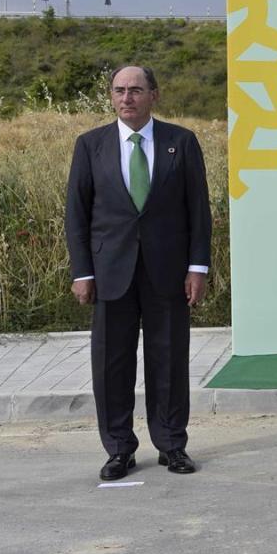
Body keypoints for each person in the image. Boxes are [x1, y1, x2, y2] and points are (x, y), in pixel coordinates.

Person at [65, 65, 213, 481]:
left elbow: (198, 211)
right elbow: (76, 215)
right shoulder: (90, 145)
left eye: (135, 90)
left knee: (168, 362)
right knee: (111, 366)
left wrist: (197, 267)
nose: (126, 98)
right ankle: (119, 449)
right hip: (110, 272)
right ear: (111, 96)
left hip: (168, 273)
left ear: (154, 95)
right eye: (119, 91)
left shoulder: (180, 143)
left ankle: (171, 445)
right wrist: (82, 271)